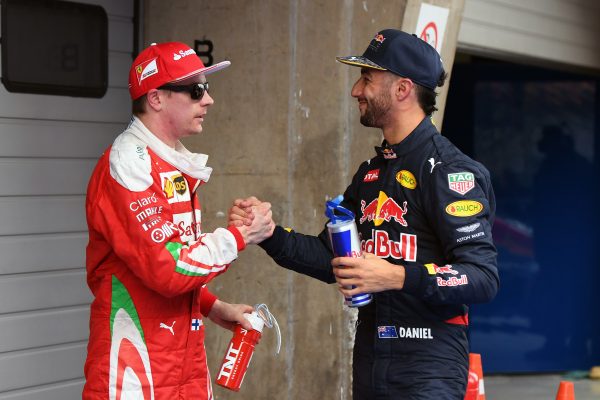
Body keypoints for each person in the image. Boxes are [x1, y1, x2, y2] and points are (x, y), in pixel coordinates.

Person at [230, 30, 499, 399]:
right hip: (371, 362)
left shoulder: (449, 171)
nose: (357, 90)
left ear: (403, 90)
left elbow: (482, 277)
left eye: (367, 79)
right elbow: (331, 259)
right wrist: (268, 234)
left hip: (428, 367)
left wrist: (395, 276)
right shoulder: (372, 173)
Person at [83, 42, 275, 400]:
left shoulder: (169, 162)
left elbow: (163, 261)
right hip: (136, 367)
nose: (208, 100)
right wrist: (239, 235)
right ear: (156, 99)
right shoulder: (129, 163)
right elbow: (167, 268)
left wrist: (215, 308)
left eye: (207, 88)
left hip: (182, 360)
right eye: (195, 90)